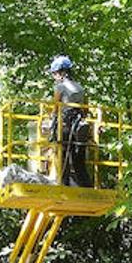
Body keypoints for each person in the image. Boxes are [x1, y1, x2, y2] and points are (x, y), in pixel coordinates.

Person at [46, 55, 92, 188]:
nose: (54, 77)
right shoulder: (80, 88)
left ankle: (63, 186)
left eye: (54, 74)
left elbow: (56, 106)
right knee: (79, 161)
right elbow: (85, 108)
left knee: (62, 156)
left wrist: (51, 123)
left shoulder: (60, 87)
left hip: (65, 125)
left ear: (61, 73)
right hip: (80, 126)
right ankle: (86, 188)